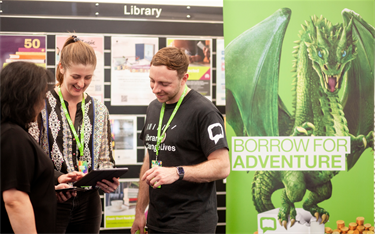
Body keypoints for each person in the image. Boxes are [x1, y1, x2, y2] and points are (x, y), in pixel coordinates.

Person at [131, 47, 230, 234]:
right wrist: (139, 212)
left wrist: (178, 172)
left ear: (184, 78)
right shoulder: (154, 107)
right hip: (156, 220)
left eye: (164, 83)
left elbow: (223, 166)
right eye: (152, 81)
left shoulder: (204, 112)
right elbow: (149, 161)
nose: (155, 89)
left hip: (192, 223)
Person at [39, 35, 119, 234]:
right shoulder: (41, 105)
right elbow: (31, 157)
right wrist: (56, 179)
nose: (81, 83)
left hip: (89, 203)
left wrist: (108, 177)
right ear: (61, 68)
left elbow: (104, 156)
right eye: (76, 76)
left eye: (88, 77)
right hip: (51, 198)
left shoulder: (100, 110)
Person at [0, 62, 56, 234]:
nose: (43, 104)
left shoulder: (10, 132)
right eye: (42, 96)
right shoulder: (13, 136)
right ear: (25, 96)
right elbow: (14, 200)